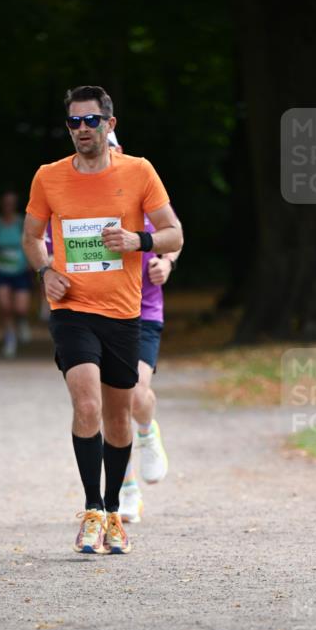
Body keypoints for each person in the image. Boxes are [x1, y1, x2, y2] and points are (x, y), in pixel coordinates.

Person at [23, 85, 183, 554]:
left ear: (109, 125)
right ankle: (92, 510)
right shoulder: (48, 177)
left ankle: (114, 510)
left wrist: (139, 242)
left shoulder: (139, 172)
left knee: (119, 415)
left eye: (91, 121)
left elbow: (173, 233)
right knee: (87, 404)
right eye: (74, 122)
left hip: (122, 312)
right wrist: (45, 270)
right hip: (72, 311)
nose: (82, 129)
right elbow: (32, 236)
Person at [119, 210, 182, 523]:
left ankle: (146, 431)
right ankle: (127, 490)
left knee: (135, 394)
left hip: (144, 312)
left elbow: (175, 233)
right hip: (97, 313)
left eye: (114, 154)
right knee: (110, 406)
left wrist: (167, 262)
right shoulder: (75, 194)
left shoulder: (142, 187)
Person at [0, 192, 33, 358]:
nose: (8, 206)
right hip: (1, 271)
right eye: (5, 203)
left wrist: (31, 262)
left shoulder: (21, 222)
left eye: (11, 203)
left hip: (20, 270)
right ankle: (10, 339)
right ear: (2, 205)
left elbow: (32, 241)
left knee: (21, 308)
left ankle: (22, 321)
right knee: (5, 307)